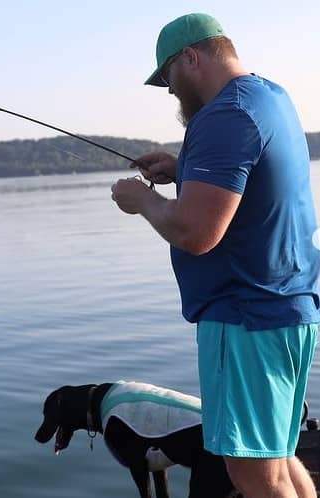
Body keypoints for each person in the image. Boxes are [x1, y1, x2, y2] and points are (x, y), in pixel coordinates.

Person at [110, 12, 320, 498]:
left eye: (167, 76)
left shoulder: (222, 116)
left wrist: (143, 201)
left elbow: (195, 232)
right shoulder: (270, 97)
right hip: (288, 308)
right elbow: (255, 174)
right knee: (281, 454)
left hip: (245, 316)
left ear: (191, 58)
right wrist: (184, 168)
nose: (167, 89)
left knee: (252, 473)